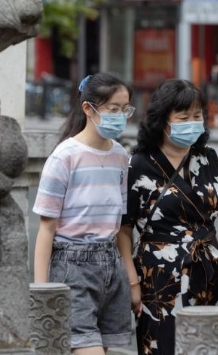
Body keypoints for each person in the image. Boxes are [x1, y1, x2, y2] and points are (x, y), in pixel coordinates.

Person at [120, 79, 218, 355]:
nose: (192, 123)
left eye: (197, 116)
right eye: (183, 117)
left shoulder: (207, 158)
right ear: (163, 120)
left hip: (209, 272)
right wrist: (132, 283)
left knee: (209, 347)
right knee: (164, 347)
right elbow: (123, 231)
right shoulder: (138, 164)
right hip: (160, 278)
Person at [33, 72, 135, 355]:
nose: (121, 116)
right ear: (88, 109)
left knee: (108, 347)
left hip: (111, 265)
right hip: (72, 266)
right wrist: (42, 292)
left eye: (125, 109)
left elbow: (120, 224)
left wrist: (129, 278)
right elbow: (46, 229)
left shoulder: (120, 156)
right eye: (113, 109)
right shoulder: (64, 157)